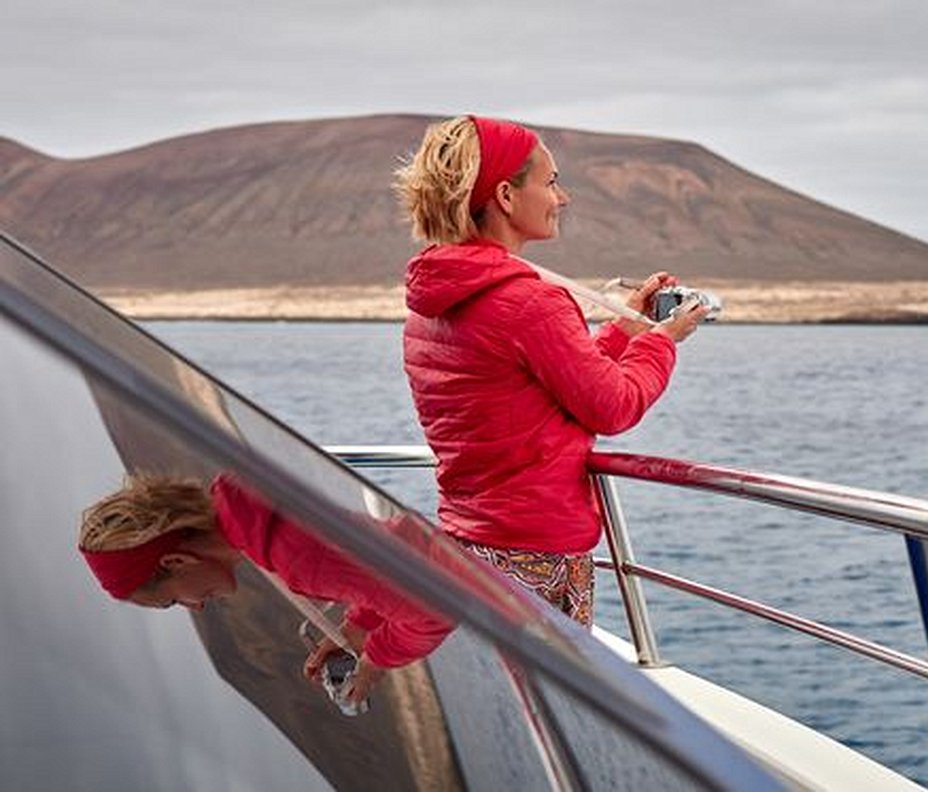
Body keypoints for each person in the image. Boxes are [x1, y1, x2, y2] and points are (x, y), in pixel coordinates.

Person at [394, 115, 708, 626]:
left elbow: (555, 376)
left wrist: (627, 329)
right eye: (552, 182)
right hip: (535, 549)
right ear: (505, 196)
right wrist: (662, 341)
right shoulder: (528, 301)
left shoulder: (434, 299)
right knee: (539, 698)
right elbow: (613, 405)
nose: (563, 198)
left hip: (468, 541)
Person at [78, 473, 452, 705]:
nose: (195, 607)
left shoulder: (296, 560)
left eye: (174, 599)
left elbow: (436, 608)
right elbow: (384, 561)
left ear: (176, 562)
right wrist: (358, 629)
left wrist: (375, 661)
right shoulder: (252, 496)